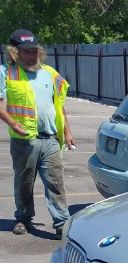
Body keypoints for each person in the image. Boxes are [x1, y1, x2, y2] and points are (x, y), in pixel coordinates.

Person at [0, 29, 74, 236]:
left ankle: (61, 223)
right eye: (26, 52)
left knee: (55, 182)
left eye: (34, 51)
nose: (31, 56)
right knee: (24, 183)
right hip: (24, 140)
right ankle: (23, 218)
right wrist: (13, 124)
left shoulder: (50, 73)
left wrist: (67, 132)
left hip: (50, 138)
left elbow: (59, 105)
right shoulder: (6, 73)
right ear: (15, 53)